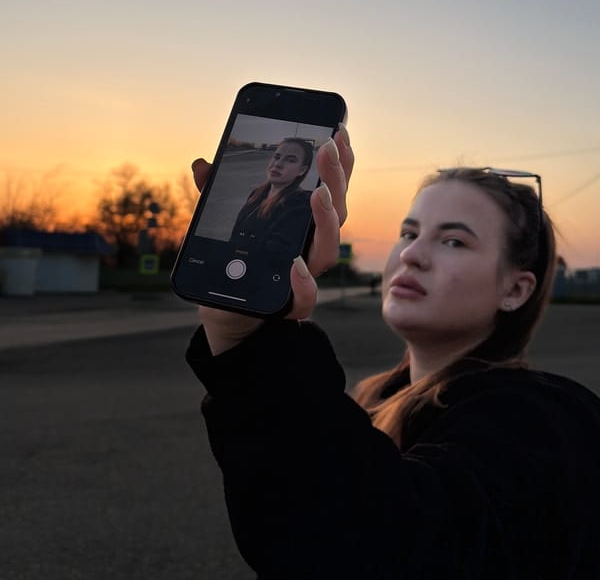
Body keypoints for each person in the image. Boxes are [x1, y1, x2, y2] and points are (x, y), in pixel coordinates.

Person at [185, 127, 600, 579]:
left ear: (515, 290)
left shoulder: (545, 421)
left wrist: (255, 345)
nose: (412, 255)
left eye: (454, 241)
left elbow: (388, 548)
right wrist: (240, 321)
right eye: (409, 232)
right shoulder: (375, 400)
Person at [228, 138, 314, 259]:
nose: (278, 164)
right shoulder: (256, 194)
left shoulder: (300, 205)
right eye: (277, 157)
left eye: (290, 160)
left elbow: (276, 255)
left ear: (302, 170)